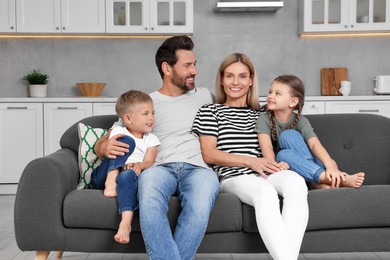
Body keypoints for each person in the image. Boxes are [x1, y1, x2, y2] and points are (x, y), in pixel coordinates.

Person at [95, 36, 220, 260]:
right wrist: (104, 147)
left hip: (198, 168)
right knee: (149, 199)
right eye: (187, 65)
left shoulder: (206, 96)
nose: (195, 71)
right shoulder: (146, 104)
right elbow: (108, 137)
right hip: (158, 167)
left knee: (200, 206)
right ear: (167, 68)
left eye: (195, 64)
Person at [192, 53, 308, 260]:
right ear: (221, 79)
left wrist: (280, 162)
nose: (235, 82)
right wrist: (250, 161)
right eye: (229, 76)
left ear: (251, 80)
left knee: (297, 183)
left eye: (242, 76)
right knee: (265, 192)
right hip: (233, 176)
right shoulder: (210, 111)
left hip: (265, 171)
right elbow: (208, 154)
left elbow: (290, 125)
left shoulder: (263, 114)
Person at [256, 75, 365, 189]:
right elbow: (267, 147)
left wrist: (331, 166)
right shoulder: (264, 119)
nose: (270, 96)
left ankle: (320, 178)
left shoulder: (301, 121)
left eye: (277, 93)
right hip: (285, 164)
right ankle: (328, 179)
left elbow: (314, 144)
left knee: (288, 135)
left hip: (307, 166)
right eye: (270, 92)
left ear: (293, 101)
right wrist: (275, 166)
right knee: (282, 154)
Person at [90, 90, 160, 244]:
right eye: (146, 114)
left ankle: (125, 223)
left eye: (153, 113)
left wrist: (139, 165)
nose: (152, 118)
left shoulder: (152, 139)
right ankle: (111, 179)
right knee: (128, 141)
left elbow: (149, 162)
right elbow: (105, 150)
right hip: (102, 177)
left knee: (128, 175)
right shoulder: (118, 131)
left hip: (125, 178)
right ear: (127, 118)